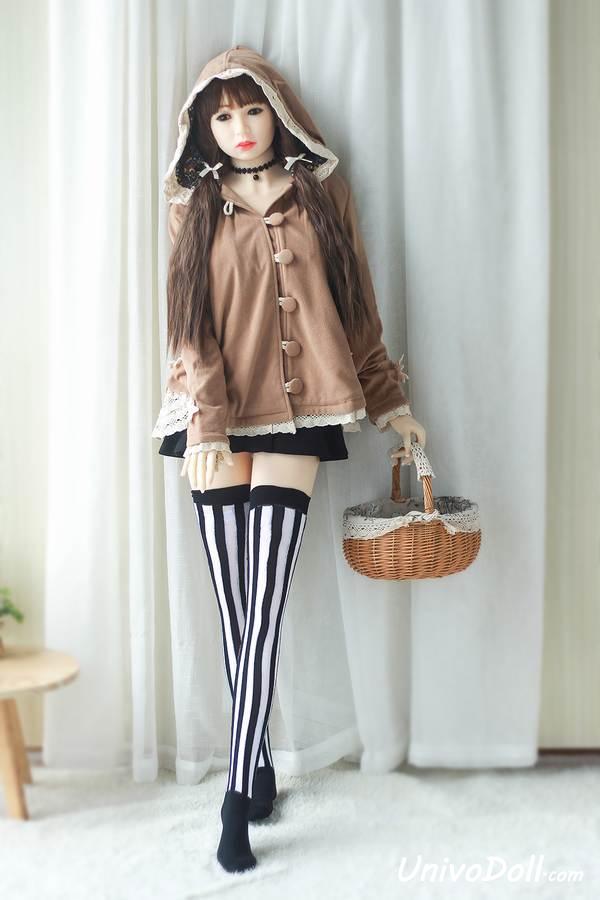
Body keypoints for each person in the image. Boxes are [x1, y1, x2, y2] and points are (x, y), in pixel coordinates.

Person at [152, 44, 426, 873]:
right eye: (222, 115)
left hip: (304, 416)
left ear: (279, 113)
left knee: (263, 606)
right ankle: (258, 762)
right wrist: (207, 427)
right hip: (214, 420)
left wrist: (390, 399)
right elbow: (188, 326)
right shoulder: (193, 204)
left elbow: (357, 305)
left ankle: (236, 797)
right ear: (204, 127)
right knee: (238, 612)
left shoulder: (321, 193)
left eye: (253, 110)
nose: (240, 128)